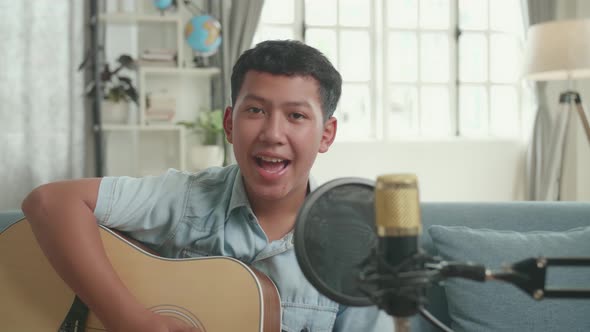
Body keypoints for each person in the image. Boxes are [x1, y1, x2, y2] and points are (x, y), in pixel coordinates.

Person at [22, 40, 393, 332]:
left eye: (296, 116)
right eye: (255, 110)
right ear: (230, 123)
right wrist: (127, 318)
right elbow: (49, 202)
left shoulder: (356, 252)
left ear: (325, 134)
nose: (272, 134)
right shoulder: (185, 198)